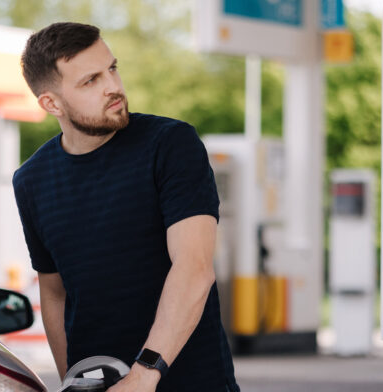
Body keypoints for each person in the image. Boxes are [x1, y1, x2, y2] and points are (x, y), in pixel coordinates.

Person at [12, 22, 239, 392]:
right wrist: (73, 380)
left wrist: (143, 376)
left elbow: (194, 267)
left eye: (112, 69)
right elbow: (54, 291)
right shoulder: (31, 181)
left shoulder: (170, 145)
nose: (113, 87)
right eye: (91, 81)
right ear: (51, 103)